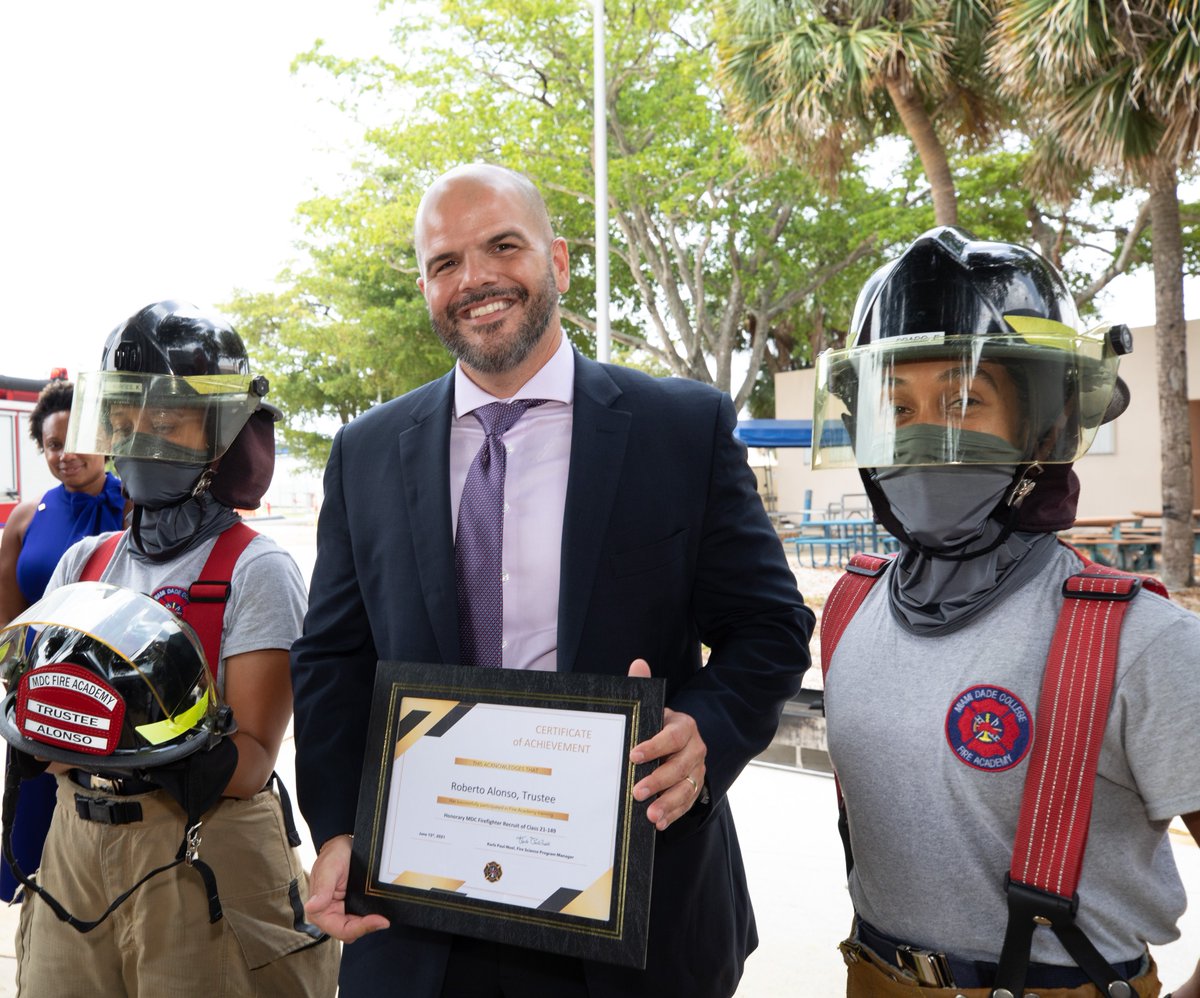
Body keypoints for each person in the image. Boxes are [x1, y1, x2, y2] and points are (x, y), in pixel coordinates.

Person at [290, 163, 814, 998]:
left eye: (503, 246)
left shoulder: (681, 428)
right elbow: (332, 659)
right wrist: (340, 829)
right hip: (420, 915)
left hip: (637, 913)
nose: (475, 280)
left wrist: (708, 731)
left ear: (559, 262)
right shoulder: (367, 453)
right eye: (445, 263)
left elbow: (771, 626)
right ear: (427, 285)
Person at [812, 226, 1200, 998]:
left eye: (964, 401)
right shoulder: (849, 610)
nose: (924, 434)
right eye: (897, 405)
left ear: (1045, 427)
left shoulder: (1139, 640)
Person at [9, 302, 338, 997]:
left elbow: (248, 761)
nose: (139, 436)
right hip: (75, 843)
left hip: (201, 848)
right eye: (124, 418)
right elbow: (41, 714)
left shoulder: (256, 569)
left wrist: (102, 730)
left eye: (166, 420)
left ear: (219, 433)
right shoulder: (84, 562)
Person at [0, 378, 125, 902]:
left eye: (76, 439)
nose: (66, 454)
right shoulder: (25, 520)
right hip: (42, 700)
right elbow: (8, 621)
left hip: (118, 698)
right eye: (53, 445)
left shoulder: (143, 508)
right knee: (37, 844)